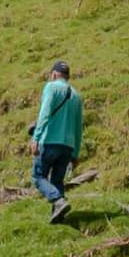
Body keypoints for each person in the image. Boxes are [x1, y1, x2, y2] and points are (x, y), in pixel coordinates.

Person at [27, 61, 85, 223]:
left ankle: (58, 201)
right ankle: (58, 217)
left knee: (38, 177)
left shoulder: (51, 88)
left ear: (53, 75)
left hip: (50, 140)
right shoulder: (76, 95)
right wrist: (75, 152)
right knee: (57, 180)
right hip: (67, 145)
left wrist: (36, 138)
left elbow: (44, 114)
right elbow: (78, 126)